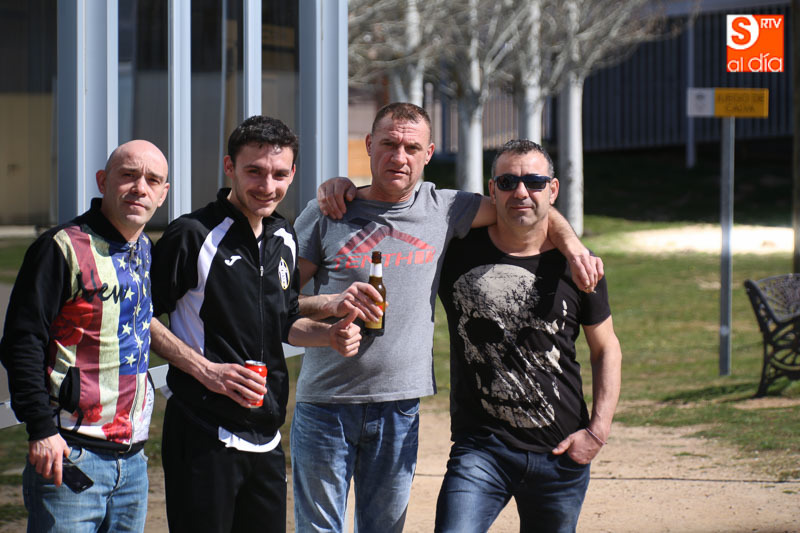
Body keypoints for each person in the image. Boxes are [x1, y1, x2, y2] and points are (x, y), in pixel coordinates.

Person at [291, 102, 603, 532]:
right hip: (325, 405)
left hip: (398, 407)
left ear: (429, 153)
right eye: (388, 144)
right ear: (369, 145)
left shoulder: (445, 209)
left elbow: (528, 207)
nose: (399, 157)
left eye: (411, 148)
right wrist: (329, 306)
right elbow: (277, 302)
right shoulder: (328, 213)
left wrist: (574, 247)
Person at [148, 115, 361, 533]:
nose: (267, 186)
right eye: (255, 171)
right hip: (202, 429)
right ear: (229, 167)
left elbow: (283, 319)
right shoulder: (192, 235)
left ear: (293, 173)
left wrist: (329, 335)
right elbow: (141, 317)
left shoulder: (284, 235)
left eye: (279, 174)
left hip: (267, 435)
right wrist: (206, 371)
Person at [434, 139, 622, 532]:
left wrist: (597, 431)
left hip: (561, 454)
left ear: (553, 189)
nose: (521, 192)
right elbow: (398, 208)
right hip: (481, 448)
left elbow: (606, 349)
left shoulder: (580, 267)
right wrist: (342, 190)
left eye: (534, 182)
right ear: (492, 190)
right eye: (507, 182)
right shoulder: (455, 253)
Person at [0, 140, 170, 532]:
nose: (139, 188)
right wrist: (41, 429)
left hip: (133, 462)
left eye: (152, 180)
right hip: (69, 455)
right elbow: (22, 343)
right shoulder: (60, 248)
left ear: (163, 194)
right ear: (103, 181)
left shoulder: (144, 249)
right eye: (128, 175)